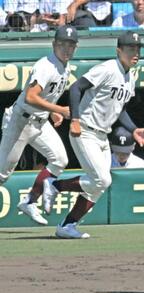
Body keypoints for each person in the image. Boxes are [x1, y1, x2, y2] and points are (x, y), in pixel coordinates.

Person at [42, 31, 144, 239]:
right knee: (102, 179)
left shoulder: (130, 76)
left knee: (99, 186)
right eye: (130, 49)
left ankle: (67, 225)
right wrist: (74, 119)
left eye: (138, 49)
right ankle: (55, 185)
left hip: (102, 136)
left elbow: (120, 109)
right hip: (84, 129)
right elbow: (76, 88)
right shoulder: (108, 68)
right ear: (119, 50)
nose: (135, 53)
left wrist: (133, 129)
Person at [0, 25, 78, 225]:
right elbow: (30, 96)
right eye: (62, 44)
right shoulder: (46, 66)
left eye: (71, 44)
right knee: (2, 174)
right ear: (54, 44)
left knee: (59, 159)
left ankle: (30, 201)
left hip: (40, 122)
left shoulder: (65, 66)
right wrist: (59, 109)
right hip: (19, 121)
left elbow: (44, 96)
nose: (67, 48)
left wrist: (51, 111)